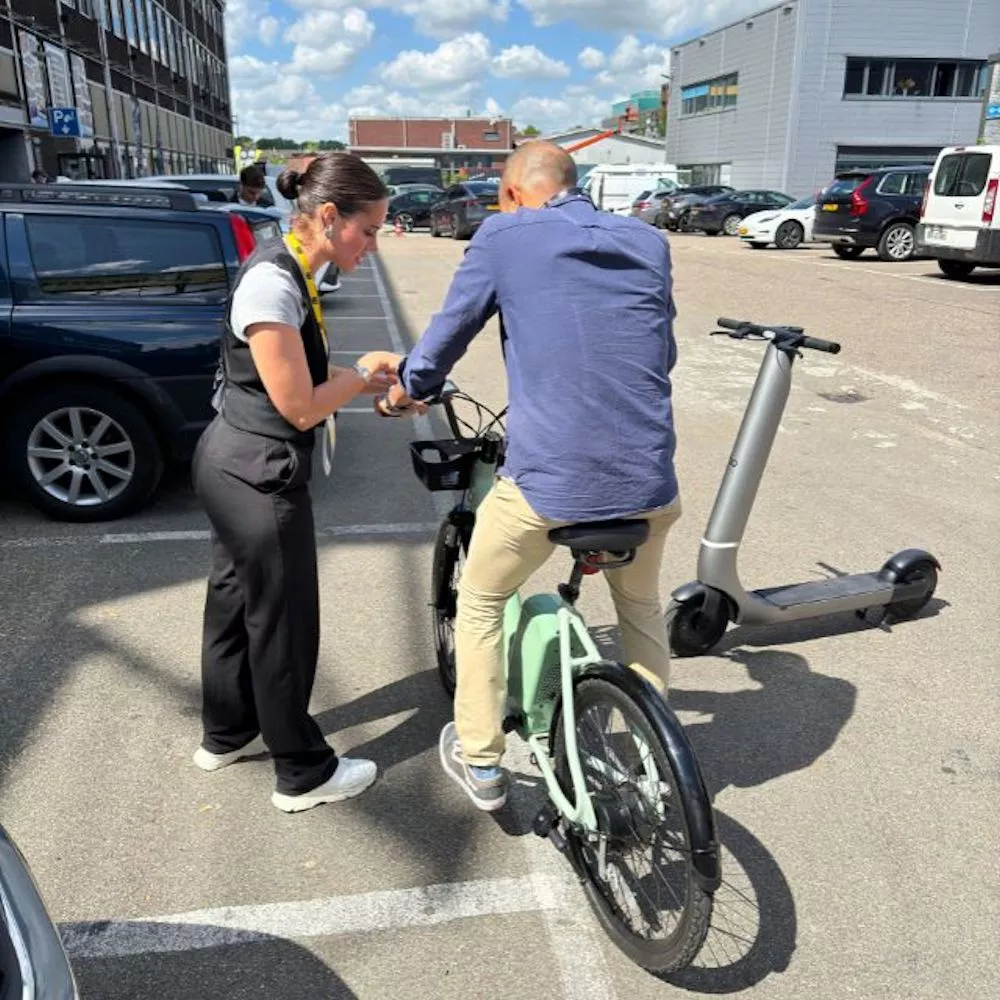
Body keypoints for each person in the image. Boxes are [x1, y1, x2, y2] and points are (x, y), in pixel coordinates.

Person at [381, 141, 682, 813]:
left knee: (482, 600)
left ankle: (483, 760)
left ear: (514, 193)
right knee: (639, 605)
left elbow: (445, 337)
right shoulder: (648, 241)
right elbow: (661, 353)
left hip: (549, 483)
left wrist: (407, 390)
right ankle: (653, 755)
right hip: (649, 481)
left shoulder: (504, 234)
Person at [192, 152, 400, 813]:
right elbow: (302, 406)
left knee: (233, 607)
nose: (373, 244)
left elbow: (299, 376)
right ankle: (302, 772)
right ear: (330, 217)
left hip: (231, 461)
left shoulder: (291, 271)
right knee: (280, 624)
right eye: (368, 230)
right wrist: (364, 374)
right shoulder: (273, 284)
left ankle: (226, 733)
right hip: (257, 473)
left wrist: (356, 378)